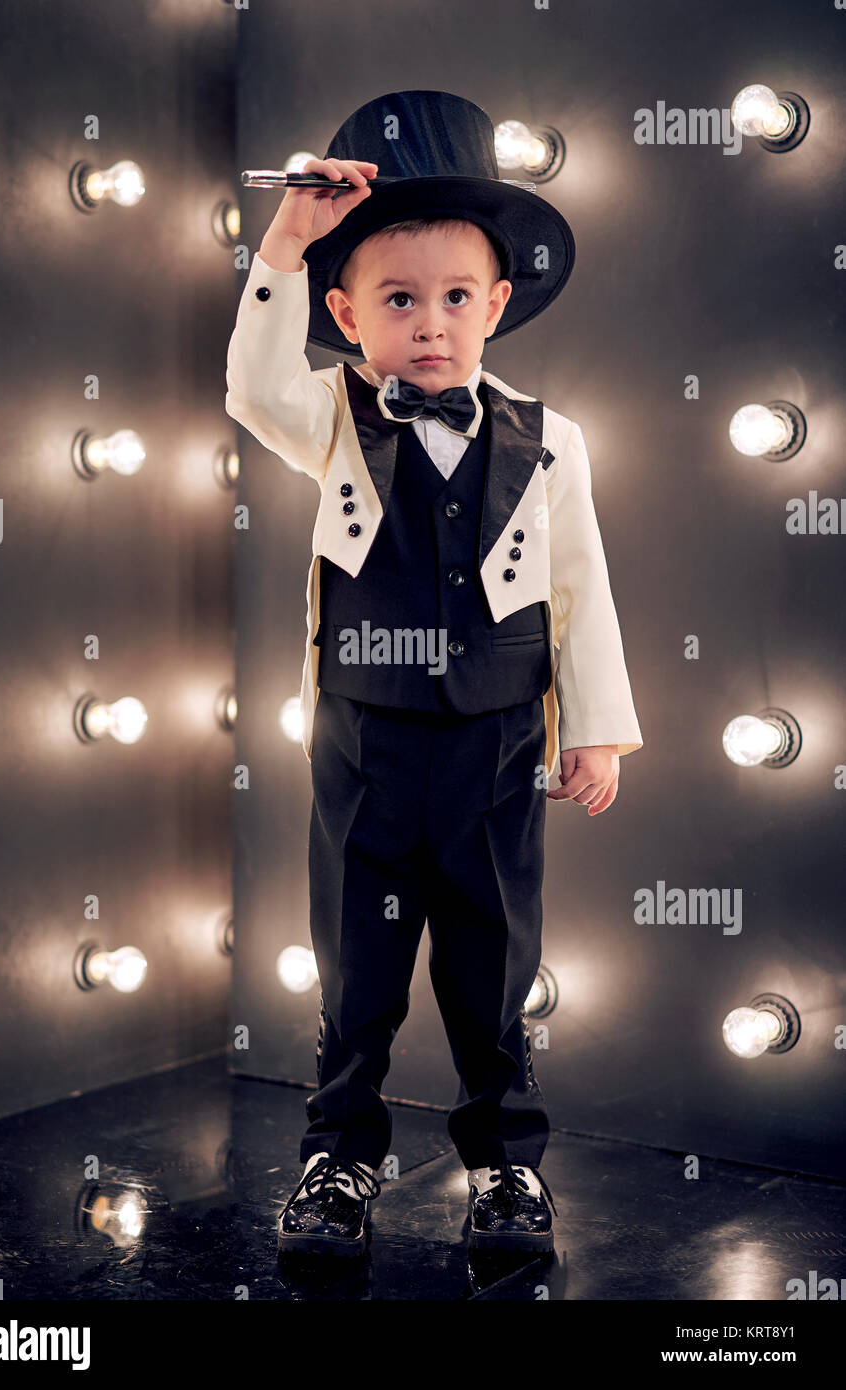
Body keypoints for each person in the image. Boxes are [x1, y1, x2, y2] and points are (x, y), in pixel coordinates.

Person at [225, 90, 643, 1258]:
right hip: (364, 734)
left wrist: (593, 728)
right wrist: (284, 247)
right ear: (347, 315)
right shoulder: (329, 413)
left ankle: (505, 1166)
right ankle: (337, 1159)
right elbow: (248, 390)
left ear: (496, 305)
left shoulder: (551, 437)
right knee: (357, 964)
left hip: (499, 738)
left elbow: (580, 585)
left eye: (455, 297)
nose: (429, 323)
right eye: (397, 300)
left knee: (490, 957)